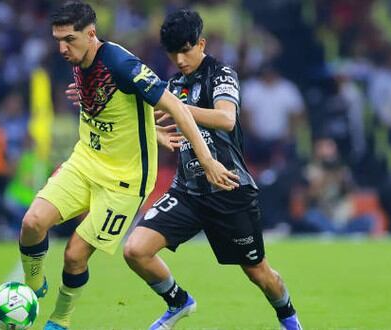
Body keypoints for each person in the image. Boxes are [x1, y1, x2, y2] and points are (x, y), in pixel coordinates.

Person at [18, 3, 236, 330]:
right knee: (32, 222)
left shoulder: (121, 63)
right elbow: (119, 103)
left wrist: (207, 160)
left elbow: (175, 105)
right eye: (57, 40)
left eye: (70, 40)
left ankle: (60, 320)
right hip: (86, 161)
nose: (62, 48)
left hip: (124, 181)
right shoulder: (79, 58)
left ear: (91, 35)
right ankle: (32, 291)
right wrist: (151, 130)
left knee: (74, 255)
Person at [123, 10, 302, 329]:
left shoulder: (221, 74)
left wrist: (176, 109)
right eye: (172, 53)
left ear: (201, 43)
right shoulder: (174, 82)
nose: (179, 59)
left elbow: (226, 119)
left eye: (185, 50)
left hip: (228, 190)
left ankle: (290, 321)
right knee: (135, 250)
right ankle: (179, 302)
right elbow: (143, 113)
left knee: (259, 273)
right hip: (187, 192)